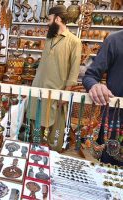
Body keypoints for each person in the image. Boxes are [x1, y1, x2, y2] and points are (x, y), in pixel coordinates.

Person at [30, 6, 82, 151]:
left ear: (58, 19)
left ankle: (53, 156)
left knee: (55, 128)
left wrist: (66, 93)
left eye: (49, 19)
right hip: (38, 88)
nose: (47, 22)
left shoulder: (74, 42)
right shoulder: (49, 38)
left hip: (57, 91)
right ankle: (35, 154)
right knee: (35, 121)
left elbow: (74, 70)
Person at [83, 30, 123, 166]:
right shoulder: (114, 41)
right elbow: (90, 76)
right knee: (110, 173)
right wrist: (94, 86)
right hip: (114, 126)